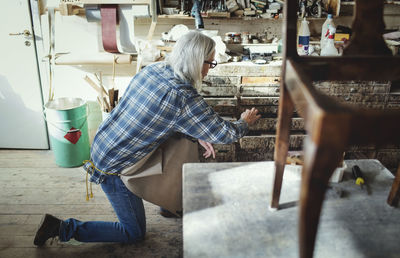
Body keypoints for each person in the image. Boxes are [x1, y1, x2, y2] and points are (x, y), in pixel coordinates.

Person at [34, 30, 261, 246]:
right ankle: (62, 228)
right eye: (209, 63)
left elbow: (161, 118)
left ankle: (167, 203)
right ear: (195, 60)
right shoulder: (183, 96)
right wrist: (245, 121)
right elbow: (225, 133)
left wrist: (197, 132)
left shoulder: (155, 70)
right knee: (133, 233)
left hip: (103, 144)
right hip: (114, 166)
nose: (209, 69)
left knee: (185, 142)